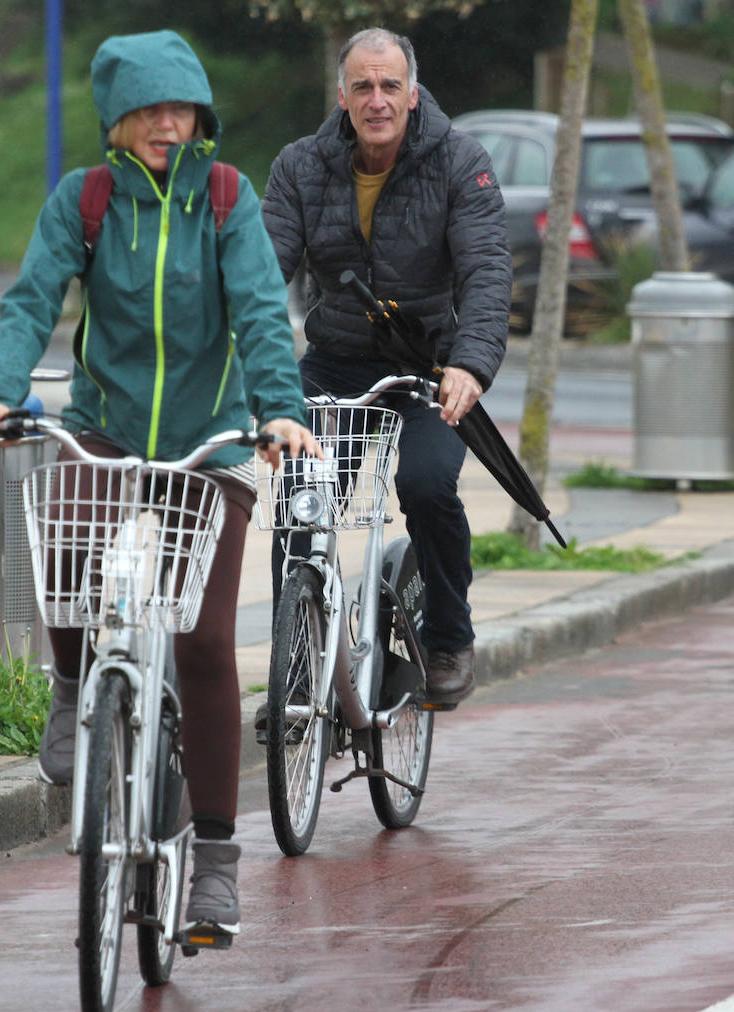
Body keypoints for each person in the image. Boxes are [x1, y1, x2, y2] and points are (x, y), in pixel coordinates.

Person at [0, 29, 319, 939]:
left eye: (183, 108)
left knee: (201, 641)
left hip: (215, 439)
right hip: (108, 428)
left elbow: (259, 311)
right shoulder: (82, 202)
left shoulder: (227, 198)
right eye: (151, 110)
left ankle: (216, 864)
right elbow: (30, 303)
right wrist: (0, 396)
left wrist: (280, 410)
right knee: (68, 548)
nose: (170, 124)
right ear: (116, 123)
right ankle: (76, 683)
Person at [260, 27, 512, 706]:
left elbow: (487, 272)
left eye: (390, 86)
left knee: (428, 485)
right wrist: (248, 370)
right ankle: (302, 655)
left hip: (426, 371)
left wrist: (469, 367)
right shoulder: (299, 165)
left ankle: (450, 637)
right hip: (334, 364)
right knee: (304, 499)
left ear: (413, 93)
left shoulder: (460, 162)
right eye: (363, 86)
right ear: (341, 96)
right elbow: (261, 279)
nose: (377, 99)